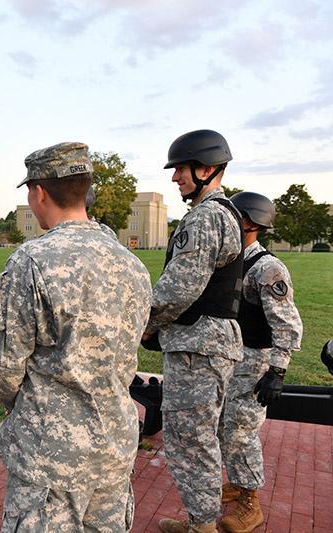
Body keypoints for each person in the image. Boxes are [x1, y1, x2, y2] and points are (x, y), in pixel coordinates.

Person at [0, 142, 152, 531]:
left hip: (50, 459)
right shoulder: (132, 264)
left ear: (38, 192)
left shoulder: (30, 262)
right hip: (112, 447)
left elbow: (2, 368)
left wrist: (21, 405)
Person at [143, 130, 244, 533]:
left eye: (180, 169)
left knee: (190, 440)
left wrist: (144, 324)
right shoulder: (226, 213)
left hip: (197, 347)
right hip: (206, 344)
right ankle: (200, 521)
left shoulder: (204, 217)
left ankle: (202, 527)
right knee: (197, 438)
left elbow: (178, 287)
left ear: (205, 168)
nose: (175, 178)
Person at [217, 192, 302, 532]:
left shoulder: (267, 268)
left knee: (241, 431)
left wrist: (277, 371)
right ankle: (238, 482)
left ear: (250, 223)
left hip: (255, 364)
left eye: (233, 218)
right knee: (227, 427)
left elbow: (287, 323)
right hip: (231, 360)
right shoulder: (231, 260)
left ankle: (251, 502)